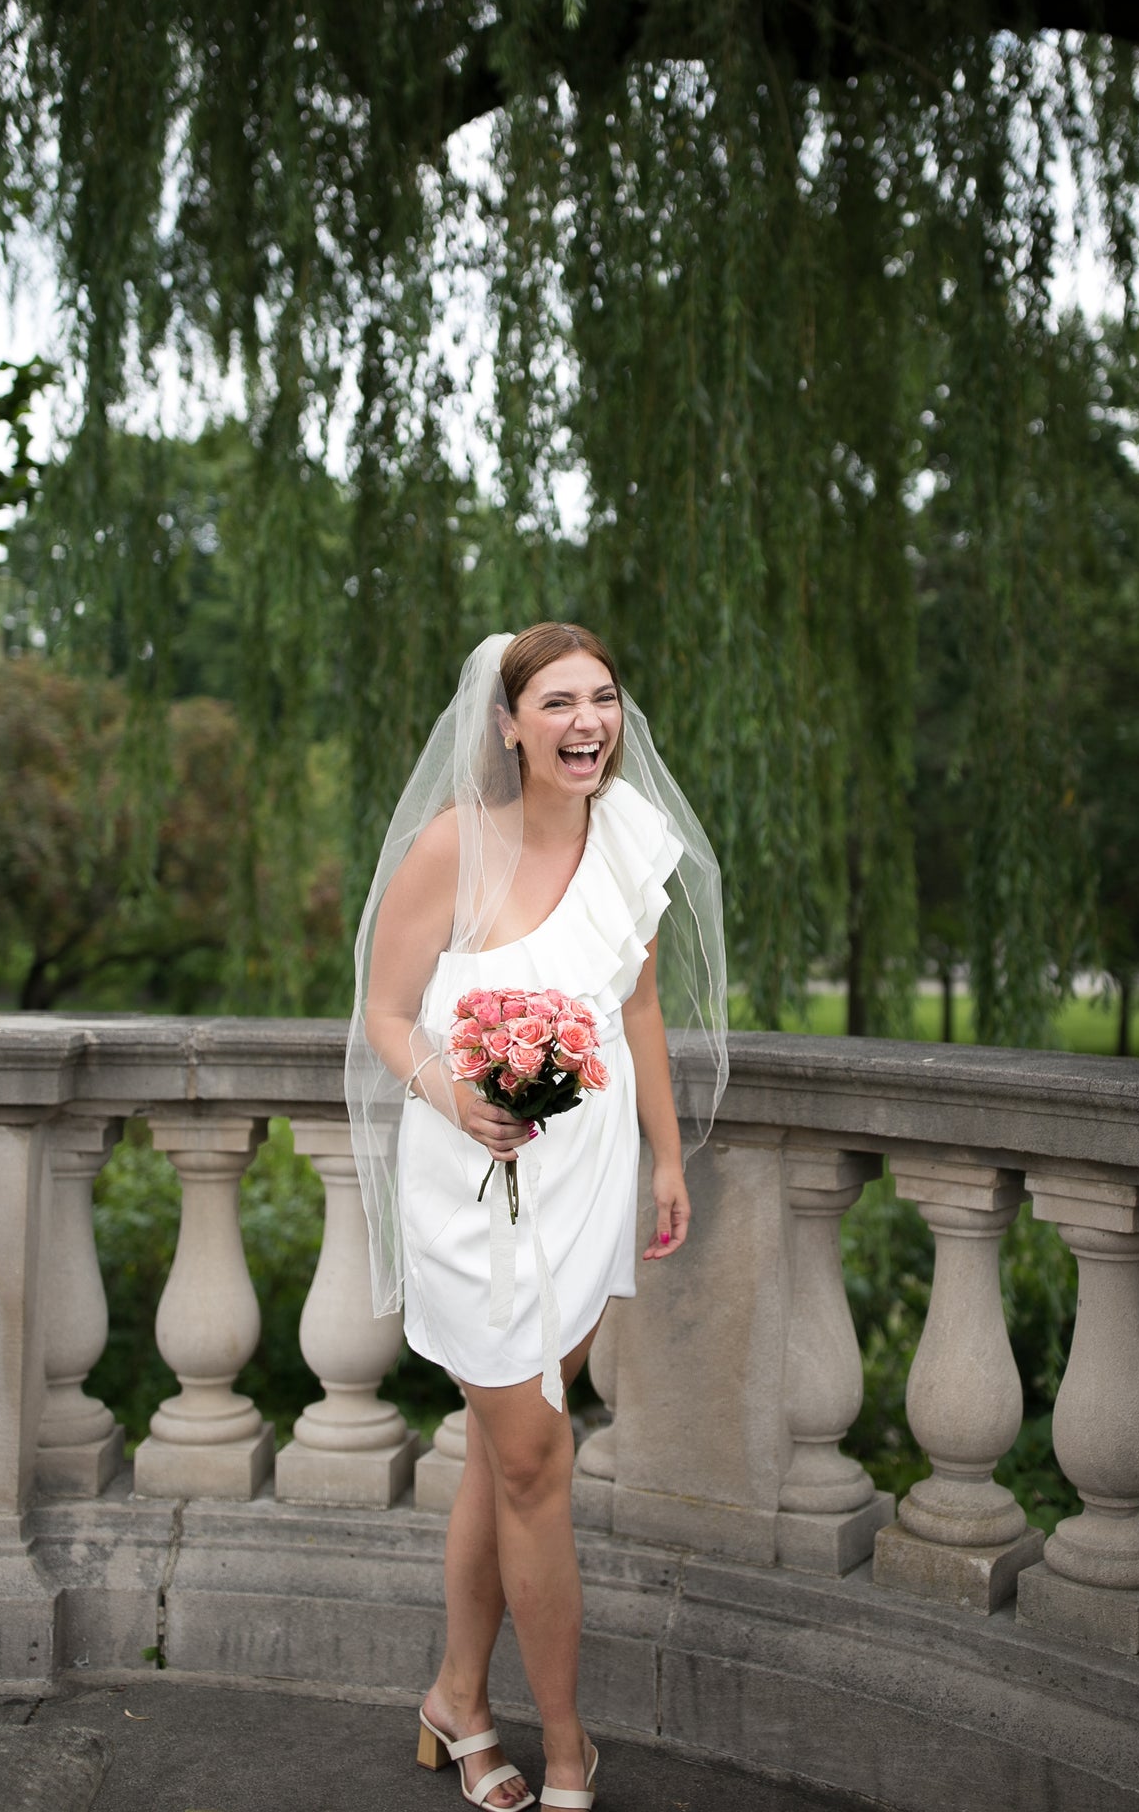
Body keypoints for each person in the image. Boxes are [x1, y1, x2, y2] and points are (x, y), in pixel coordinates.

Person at [346, 624, 727, 1812]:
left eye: (603, 697)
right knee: (533, 1457)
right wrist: (458, 1099)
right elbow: (383, 1010)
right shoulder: (451, 846)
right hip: (467, 1183)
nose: (586, 721)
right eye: (557, 701)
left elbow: (642, 1004)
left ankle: (456, 1695)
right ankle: (567, 1748)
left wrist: (665, 1154)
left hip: (584, 1181)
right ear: (507, 722)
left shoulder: (629, 837)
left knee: (505, 1459)